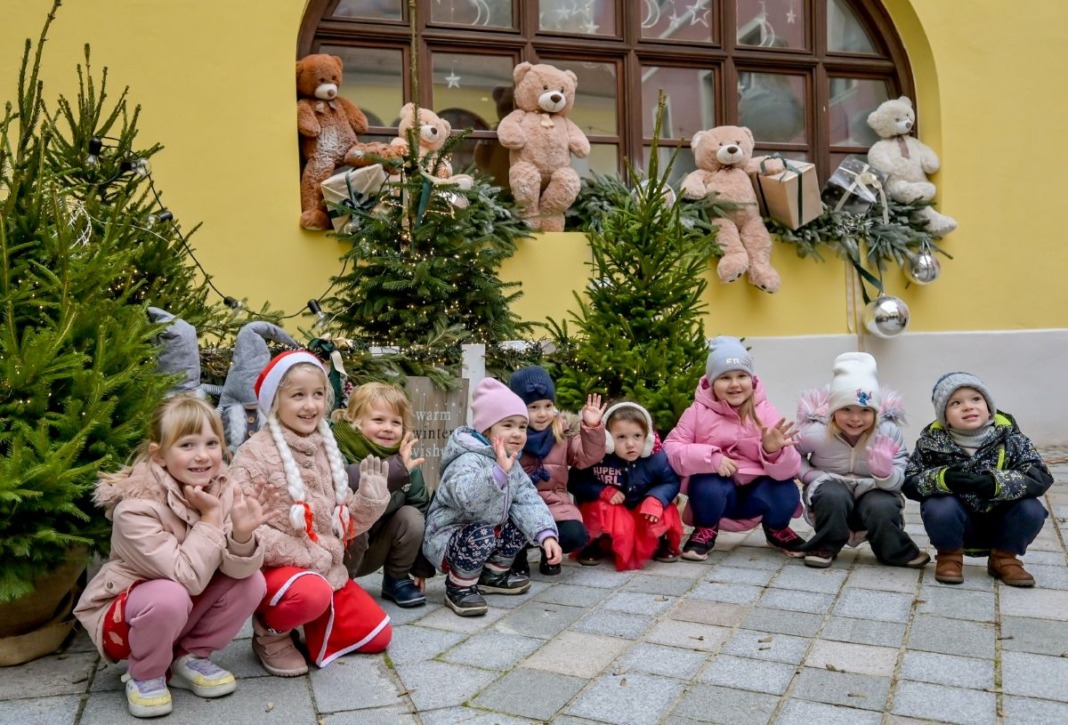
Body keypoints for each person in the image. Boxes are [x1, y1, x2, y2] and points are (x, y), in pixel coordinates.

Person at [74, 396, 272, 719]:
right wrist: (209, 519)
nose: (203, 456)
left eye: (212, 443)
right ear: (160, 455)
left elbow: (237, 569)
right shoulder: (135, 508)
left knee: (251, 581)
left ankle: (189, 657)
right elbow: (185, 577)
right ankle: (145, 674)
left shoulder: (220, 488)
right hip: (126, 623)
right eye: (187, 445)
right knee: (170, 595)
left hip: (182, 608)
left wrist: (241, 536)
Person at [228, 351, 392, 677]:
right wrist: (307, 554)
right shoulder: (254, 454)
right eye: (298, 395)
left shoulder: (324, 447)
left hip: (322, 567)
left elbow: (341, 525)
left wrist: (370, 500)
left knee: (378, 635)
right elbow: (241, 526)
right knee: (311, 593)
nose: (310, 405)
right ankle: (269, 632)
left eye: (318, 395)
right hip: (278, 569)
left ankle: (307, 621)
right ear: (276, 401)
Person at [423, 378, 562, 616]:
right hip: (449, 538)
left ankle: (492, 575)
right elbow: (466, 497)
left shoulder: (511, 462)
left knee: (520, 523)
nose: (517, 433)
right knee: (482, 534)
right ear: (486, 430)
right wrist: (496, 475)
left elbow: (527, 499)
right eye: (507, 425)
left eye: (522, 426)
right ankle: (459, 587)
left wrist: (545, 534)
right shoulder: (466, 459)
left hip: (485, 532)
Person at [663, 336, 806, 560]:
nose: (735, 384)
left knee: (786, 490)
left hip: (756, 494)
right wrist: (710, 458)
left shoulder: (765, 411)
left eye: (741, 376)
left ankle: (777, 528)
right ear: (711, 382)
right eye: (725, 377)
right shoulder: (698, 411)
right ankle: (706, 528)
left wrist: (773, 450)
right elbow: (671, 449)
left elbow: (790, 469)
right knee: (706, 484)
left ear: (752, 379)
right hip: (718, 493)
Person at [904, 372, 1052, 587]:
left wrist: (997, 484)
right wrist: (943, 479)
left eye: (976, 399)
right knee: (938, 505)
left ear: (989, 406)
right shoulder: (931, 443)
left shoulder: (1011, 439)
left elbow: (1039, 476)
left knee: (1031, 508)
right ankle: (949, 557)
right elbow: (910, 482)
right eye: (956, 403)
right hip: (957, 520)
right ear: (944, 416)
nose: (968, 406)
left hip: (1000, 518)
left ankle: (1004, 558)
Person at [795, 352, 930, 569]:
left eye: (865, 410)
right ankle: (824, 546)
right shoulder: (815, 433)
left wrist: (886, 473)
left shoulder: (887, 432)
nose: (855, 418)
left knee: (882, 505)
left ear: (875, 411)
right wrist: (809, 475)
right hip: (832, 485)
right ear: (833, 410)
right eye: (846, 409)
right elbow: (794, 453)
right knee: (832, 494)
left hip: (873, 489)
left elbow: (900, 469)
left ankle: (895, 550)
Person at [332, 382, 433, 607]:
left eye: (395, 422)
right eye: (378, 420)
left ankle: (396, 579)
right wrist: (395, 470)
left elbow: (422, 507)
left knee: (412, 516)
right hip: (339, 551)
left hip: (378, 546)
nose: (388, 428)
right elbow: (340, 481)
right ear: (355, 421)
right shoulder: (336, 448)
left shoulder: (406, 461)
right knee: (351, 516)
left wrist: (421, 567)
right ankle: (340, 586)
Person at [507, 366, 606, 576]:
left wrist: (592, 428)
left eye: (548, 405)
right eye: (533, 407)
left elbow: (587, 457)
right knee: (509, 528)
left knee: (575, 534)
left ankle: (550, 551)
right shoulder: (510, 436)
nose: (542, 414)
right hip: (517, 509)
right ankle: (516, 556)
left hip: (554, 506)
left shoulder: (562, 432)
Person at [568, 402, 683, 570]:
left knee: (665, 508)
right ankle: (594, 541)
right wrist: (601, 490)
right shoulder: (599, 458)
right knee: (598, 507)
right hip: (615, 509)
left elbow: (671, 481)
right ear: (608, 440)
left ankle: (659, 540)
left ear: (647, 438)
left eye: (637, 436)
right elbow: (575, 481)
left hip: (641, 508)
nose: (630, 444)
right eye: (621, 437)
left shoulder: (655, 458)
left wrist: (656, 498)